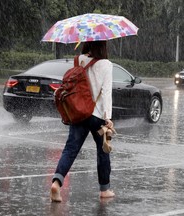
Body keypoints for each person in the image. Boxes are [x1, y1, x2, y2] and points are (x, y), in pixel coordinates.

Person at [50, 41, 115, 202]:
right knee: (103, 151)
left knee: (70, 149)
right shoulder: (106, 64)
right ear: (103, 46)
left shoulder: (79, 60)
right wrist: (108, 118)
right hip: (98, 115)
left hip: (79, 111)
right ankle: (104, 189)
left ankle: (57, 183)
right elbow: (106, 92)